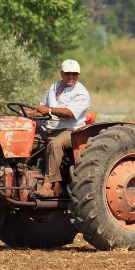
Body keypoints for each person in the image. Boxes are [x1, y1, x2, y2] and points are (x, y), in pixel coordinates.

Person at [30, 59, 90, 198]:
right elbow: (41, 109)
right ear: (61, 73)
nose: (71, 77)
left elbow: (70, 113)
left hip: (71, 130)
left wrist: (49, 110)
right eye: (68, 73)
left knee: (55, 144)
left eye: (74, 74)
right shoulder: (54, 87)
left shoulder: (81, 93)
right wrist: (23, 114)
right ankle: (22, 173)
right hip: (49, 129)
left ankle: (48, 185)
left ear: (79, 75)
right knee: (26, 141)